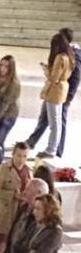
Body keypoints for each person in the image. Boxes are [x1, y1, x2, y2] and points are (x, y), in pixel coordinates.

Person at [0, 142, 30, 253]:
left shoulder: (28, 170)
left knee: (8, 250)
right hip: (3, 215)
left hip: (19, 214)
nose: (21, 159)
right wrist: (13, 195)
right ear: (13, 154)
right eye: (18, 155)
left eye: (24, 156)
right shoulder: (3, 169)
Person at [38, 30, 74, 159]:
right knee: (57, 121)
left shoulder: (60, 58)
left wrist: (46, 70)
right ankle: (52, 148)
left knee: (54, 123)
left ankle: (51, 149)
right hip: (62, 89)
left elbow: (54, 78)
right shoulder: (69, 56)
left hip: (55, 91)